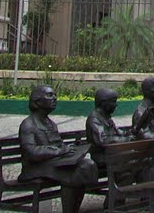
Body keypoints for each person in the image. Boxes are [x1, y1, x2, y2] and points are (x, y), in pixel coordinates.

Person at [18, 85, 99, 213]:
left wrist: (71, 149)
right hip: (35, 168)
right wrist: (59, 151)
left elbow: (58, 146)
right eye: (50, 95)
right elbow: (31, 152)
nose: (55, 98)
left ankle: (73, 210)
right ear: (37, 101)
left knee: (87, 164)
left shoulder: (51, 123)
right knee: (75, 172)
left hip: (52, 163)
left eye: (55, 95)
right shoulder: (28, 124)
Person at [86, 88, 133, 166]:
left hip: (112, 153)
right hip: (102, 157)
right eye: (113, 102)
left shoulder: (106, 117)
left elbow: (116, 131)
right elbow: (103, 140)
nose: (116, 104)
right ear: (104, 103)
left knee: (141, 157)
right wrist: (125, 139)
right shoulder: (94, 119)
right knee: (134, 160)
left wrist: (127, 133)